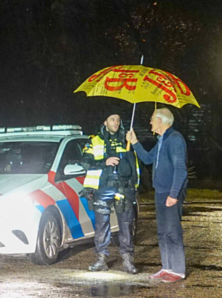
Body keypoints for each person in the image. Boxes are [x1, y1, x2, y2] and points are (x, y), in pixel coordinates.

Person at [127, 107, 188, 283]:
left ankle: (178, 270)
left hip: (170, 192)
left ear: (161, 121)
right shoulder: (162, 140)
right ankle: (167, 267)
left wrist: (174, 194)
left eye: (153, 118)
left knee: (172, 231)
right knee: (162, 232)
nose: (150, 121)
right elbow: (147, 159)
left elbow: (180, 170)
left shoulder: (174, 139)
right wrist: (135, 142)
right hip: (161, 191)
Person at [81, 113, 139, 273]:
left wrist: (134, 186)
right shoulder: (94, 141)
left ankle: (127, 261)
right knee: (101, 226)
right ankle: (101, 260)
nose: (116, 122)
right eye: (113, 119)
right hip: (102, 188)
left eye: (119, 120)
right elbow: (85, 163)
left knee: (126, 225)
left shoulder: (126, 140)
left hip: (123, 188)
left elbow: (135, 167)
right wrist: (104, 162)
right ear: (105, 121)